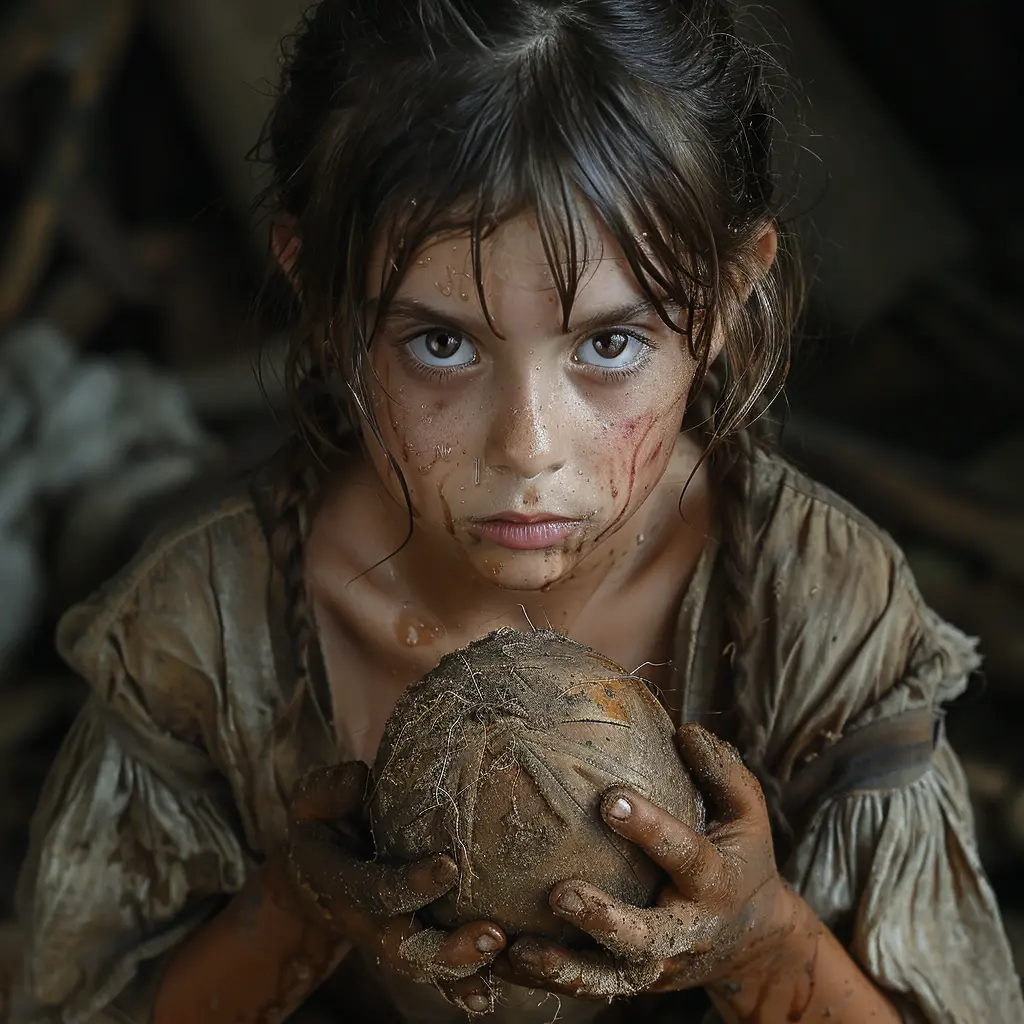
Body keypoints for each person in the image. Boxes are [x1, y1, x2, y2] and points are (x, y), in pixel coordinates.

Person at [11, 0, 1023, 1021]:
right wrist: (290, 910)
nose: (527, 448)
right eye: (441, 344)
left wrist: (759, 938)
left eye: (609, 344)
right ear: (320, 299)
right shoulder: (206, 626)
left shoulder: (821, 609)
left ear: (724, 298)